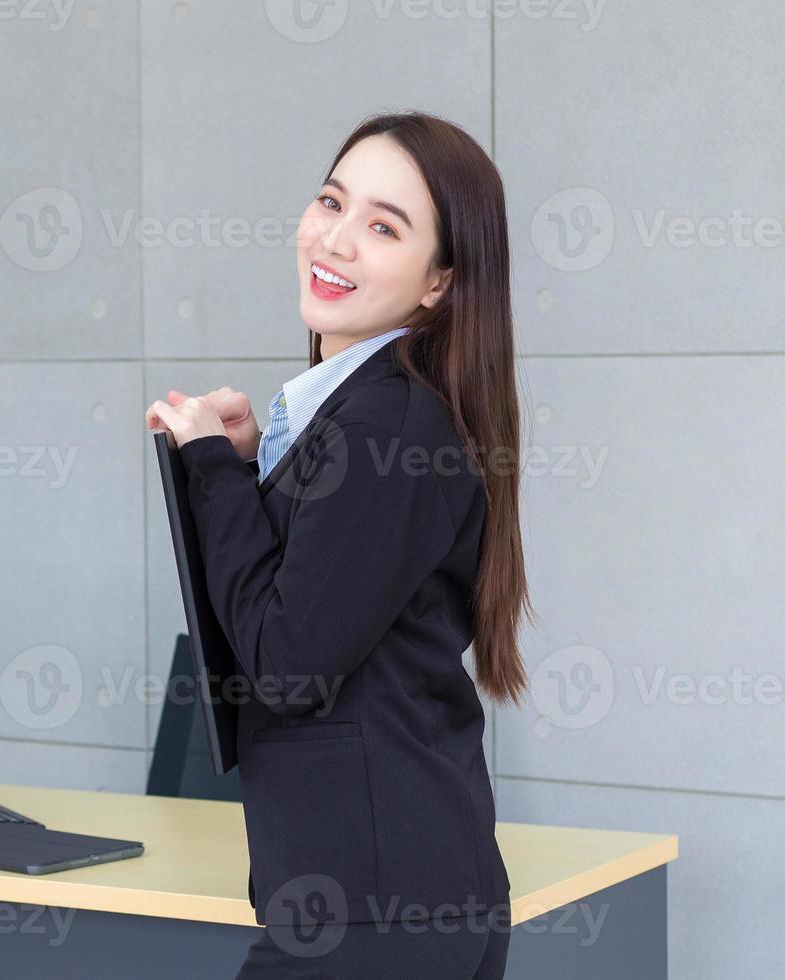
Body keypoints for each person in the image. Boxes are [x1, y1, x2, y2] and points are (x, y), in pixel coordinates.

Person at [145, 110, 531, 978]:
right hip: (386, 901)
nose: (338, 240)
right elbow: (321, 594)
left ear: (438, 283)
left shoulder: (391, 417)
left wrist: (211, 468)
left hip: (373, 913)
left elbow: (287, 662)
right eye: (332, 202)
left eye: (385, 227)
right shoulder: (374, 413)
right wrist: (246, 470)